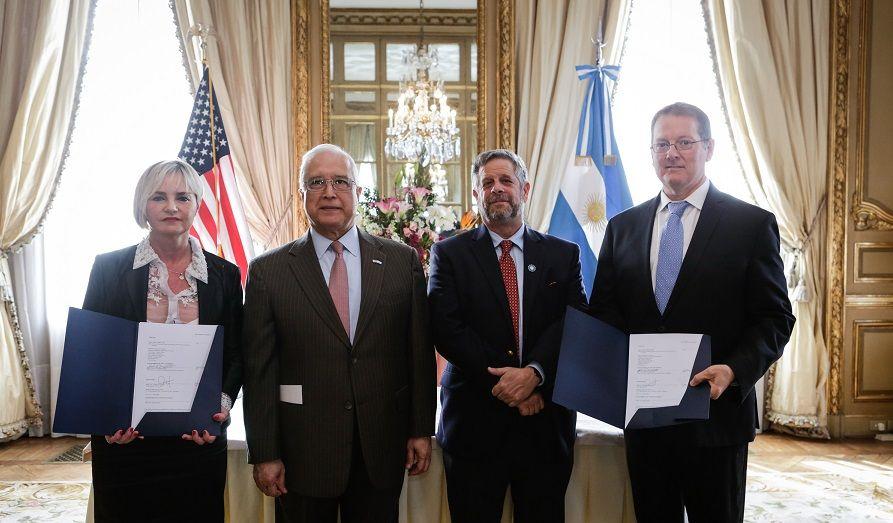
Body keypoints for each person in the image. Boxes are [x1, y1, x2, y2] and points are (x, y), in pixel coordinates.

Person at [588, 102, 795, 522]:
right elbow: (605, 312)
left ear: (709, 148)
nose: (672, 153)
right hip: (645, 423)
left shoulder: (751, 225)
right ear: (651, 152)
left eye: (684, 142)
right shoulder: (622, 227)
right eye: (661, 144)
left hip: (716, 421)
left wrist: (734, 370)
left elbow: (775, 318)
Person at [242, 144, 435, 523]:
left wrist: (420, 429)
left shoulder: (401, 262)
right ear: (301, 194)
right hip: (302, 453)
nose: (329, 192)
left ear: (358, 192)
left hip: (381, 447)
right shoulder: (268, 271)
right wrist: (264, 452)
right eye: (316, 182)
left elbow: (418, 353)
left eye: (341, 182)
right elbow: (259, 370)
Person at [427, 149, 586, 522]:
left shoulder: (563, 255)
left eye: (505, 180)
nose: (496, 188)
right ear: (476, 195)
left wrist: (534, 375)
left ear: (524, 189)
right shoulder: (449, 254)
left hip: (544, 422)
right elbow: (447, 329)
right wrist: (512, 384)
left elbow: (575, 323)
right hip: (474, 425)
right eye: (487, 183)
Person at [82, 159, 243, 521]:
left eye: (182, 197)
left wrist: (220, 407)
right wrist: (107, 419)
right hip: (125, 442)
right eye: (159, 197)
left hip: (198, 441)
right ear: (143, 206)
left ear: (196, 205)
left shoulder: (225, 275)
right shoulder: (108, 269)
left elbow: (236, 354)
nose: (172, 207)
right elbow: (92, 353)